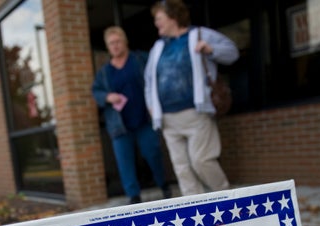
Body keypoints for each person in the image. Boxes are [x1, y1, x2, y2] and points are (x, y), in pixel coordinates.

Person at [144, 0, 239, 197]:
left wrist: (210, 49)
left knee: (201, 160)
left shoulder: (199, 35)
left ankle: (227, 199)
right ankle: (195, 213)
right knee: (182, 169)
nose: (156, 23)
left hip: (196, 113)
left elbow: (232, 52)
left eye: (159, 19)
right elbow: (149, 81)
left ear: (172, 17)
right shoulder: (157, 47)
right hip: (168, 119)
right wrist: (152, 106)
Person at [92, 26, 171, 204]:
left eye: (118, 41)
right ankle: (133, 196)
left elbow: (156, 77)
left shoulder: (140, 59)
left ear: (125, 41)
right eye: (111, 43)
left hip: (144, 119)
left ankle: (163, 184)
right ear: (107, 46)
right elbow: (96, 91)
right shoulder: (104, 72)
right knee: (124, 161)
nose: (115, 46)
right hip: (119, 124)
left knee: (153, 153)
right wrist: (107, 96)